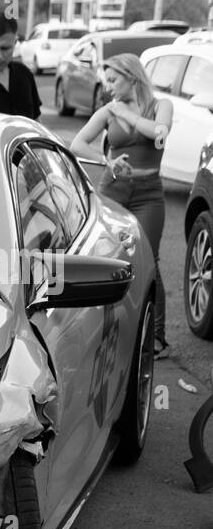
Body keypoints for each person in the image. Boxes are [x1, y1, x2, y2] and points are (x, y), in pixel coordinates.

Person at [70, 53, 174, 355]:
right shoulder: (107, 110)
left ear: (132, 77)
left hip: (149, 193)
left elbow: (160, 134)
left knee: (148, 261)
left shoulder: (160, 106)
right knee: (106, 259)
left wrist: (127, 115)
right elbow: (77, 143)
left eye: (114, 79)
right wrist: (107, 161)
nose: (109, 86)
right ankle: (102, 334)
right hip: (113, 189)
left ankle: (156, 336)